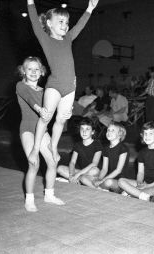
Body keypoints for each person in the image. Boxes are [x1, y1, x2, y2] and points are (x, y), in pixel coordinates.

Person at [27, 0, 99, 166]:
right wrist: (30, 2)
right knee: (45, 117)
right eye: (60, 21)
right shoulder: (45, 39)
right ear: (49, 24)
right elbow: (33, 20)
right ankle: (35, 148)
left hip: (70, 87)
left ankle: (53, 146)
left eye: (67, 22)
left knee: (61, 120)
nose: (65, 25)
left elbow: (80, 26)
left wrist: (89, 8)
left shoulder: (68, 38)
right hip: (54, 85)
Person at [16, 56, 66, 212]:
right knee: (34, 163)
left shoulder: (45, 91)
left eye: (36, 69)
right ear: (23, 71)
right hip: (27, 129)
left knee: (52, 161)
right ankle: (29, 199)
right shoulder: (20, 86)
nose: (33, 72)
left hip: (41, 129)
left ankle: (49, 195)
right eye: (29, 69)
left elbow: (57, 104)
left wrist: (66, 111)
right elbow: (30, 99)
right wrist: (39, 109)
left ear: (42, 72)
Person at [118, 122, 154, 201]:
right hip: (145, 183)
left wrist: (149, 186)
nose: (147, 136)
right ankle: (141, 195)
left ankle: (133, 193)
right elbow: (140, 172)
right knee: (121, 181)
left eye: (150, 134)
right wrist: (139, 183)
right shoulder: (142, 153)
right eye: (145, 134)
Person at [57, 118, 102, 185]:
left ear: (92, 132)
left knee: (95, 170)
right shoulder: (77, 145)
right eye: (82, 129)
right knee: (59, 168)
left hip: (91, 172)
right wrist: (71, 175)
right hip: (81, 172)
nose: (84, 132)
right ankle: (79, 181)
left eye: (87, 129)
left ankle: (79, 180)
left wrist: (77, 174)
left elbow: (94, 164)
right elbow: (72, 162)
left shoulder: (97, 144)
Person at [92, 122, 130, 192]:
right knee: (88, 178)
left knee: (108, 182)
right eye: (108, 130)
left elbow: (118, 170)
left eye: (113, 130)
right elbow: (104, 169)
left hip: (120, 181)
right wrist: (99, 179)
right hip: (109, 178)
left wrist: (102, 181)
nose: (109, 132)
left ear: (120, 134)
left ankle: (124, 191)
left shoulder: (123, 148)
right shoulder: (106, 149)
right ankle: (100, 188)